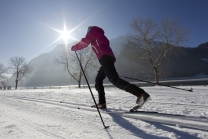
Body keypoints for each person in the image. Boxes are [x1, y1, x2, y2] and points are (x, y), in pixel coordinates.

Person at [71, 26, 150, 110]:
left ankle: (141, 94)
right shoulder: (100, 34)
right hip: (107, 57)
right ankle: (102, 103)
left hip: (104, 57)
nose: (87, 32)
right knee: (98, 80)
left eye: (87, 30)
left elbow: (85, 41)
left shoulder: (93, 31)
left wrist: (75, 47)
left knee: (114, 79)